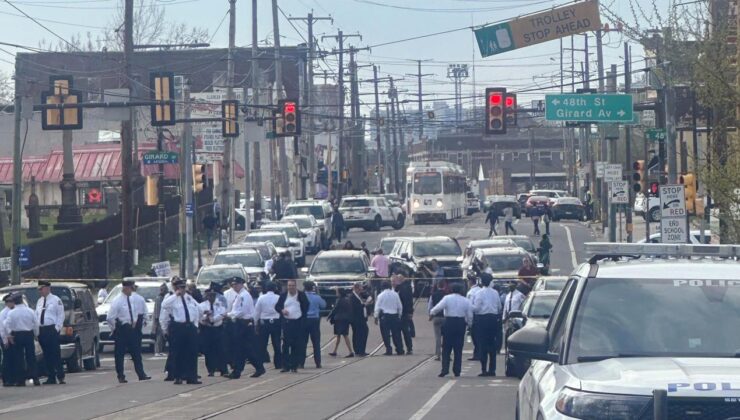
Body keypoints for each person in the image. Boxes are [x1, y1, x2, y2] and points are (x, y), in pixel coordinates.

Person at [160, 277, 202, 385]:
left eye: (184, 287)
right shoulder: (172, 298)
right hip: (179, 327)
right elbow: (164, 305)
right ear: (176, 288)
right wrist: (176, 295)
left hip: (190, 326)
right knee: (178, 352)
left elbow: (198, 309)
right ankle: (178, 376)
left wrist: (196, 324)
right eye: (180, 287)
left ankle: (191, 376)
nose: (183, 290)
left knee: (192, 352)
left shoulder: (189, 298)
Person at [107, 280, 150, 383]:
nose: (132, 290)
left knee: (136, 352)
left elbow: (134, 312)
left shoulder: (131, 299)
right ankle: (121, 375)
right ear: (125, 288)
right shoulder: (117, 301)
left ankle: (141, 374)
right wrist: (114, 329)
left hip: (132, 329)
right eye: (131, 288)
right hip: (122, 329)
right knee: (120, 354)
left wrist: (134, 322)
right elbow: (110, 317)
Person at [430, 283, 473, 378]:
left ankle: (445, 369)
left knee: (446, 347)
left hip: (449, 322)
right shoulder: (466, 300)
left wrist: (432, 313)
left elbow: (437, 308)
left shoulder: (447, 298)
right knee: (458, 348)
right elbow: (470, 315)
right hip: (460, 323)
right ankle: (457, 370)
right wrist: (469, 324)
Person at [226, 277, 265, 379]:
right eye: (233, 285)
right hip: (240, 323)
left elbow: (241, 311)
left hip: (244, 324)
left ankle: (257, 367)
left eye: (236, 284)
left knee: (245, 348)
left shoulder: (244, 296)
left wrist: (229, 315)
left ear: (241, 284)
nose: (234, 286)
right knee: (241, 349)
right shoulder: (240, 295)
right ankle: (238, 371)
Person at [5, 293, 40, 386]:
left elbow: (6, 325)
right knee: (31, 357)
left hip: (17, 335)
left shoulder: (11, 312)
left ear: (14, 302)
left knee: (19, 358)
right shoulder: (30, 311)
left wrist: (10, 334)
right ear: (21, 300)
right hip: (28, 335)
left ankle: (21, 380)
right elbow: (36, 324)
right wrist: (36, 334)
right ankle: (35, 378)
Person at [274, 279, 309, 372]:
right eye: (289, 285)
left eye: (293, 285)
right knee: (285, 345)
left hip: (298, 323)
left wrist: (301, 315)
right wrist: (282, 311)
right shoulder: (283, 295)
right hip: (287, 323)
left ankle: (294, 365)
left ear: (295, 286)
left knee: (296, 345)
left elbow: (306, 305)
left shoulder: (301, 295)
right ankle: (285, 365)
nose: (291, 287)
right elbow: (277, 306)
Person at [35, 280, 65, 385]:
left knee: (55, 354)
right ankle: (51, 376)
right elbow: (37, 315)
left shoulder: (56, 300)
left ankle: (60, 376)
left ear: (47, 288)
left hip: (51, 329)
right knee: (46, 355)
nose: (40, 291)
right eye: (39, 290)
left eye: (41, 289)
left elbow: (61, 315)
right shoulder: (39, 301)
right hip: (42, 330)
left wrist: (57, 328)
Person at [472, 275, 502, 377]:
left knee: (482, 344)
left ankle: (484, 369)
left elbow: (476, 308)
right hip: (493, 318)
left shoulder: (479, 293)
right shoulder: (495, 292)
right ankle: (492, 369)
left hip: (482, 319)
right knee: (492, 345)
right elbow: (499, 307)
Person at [198, 288, 228, 377]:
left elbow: (222, 314)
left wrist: (212, 319)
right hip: (207, 329)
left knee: (221, 349)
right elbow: (199, 317)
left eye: (213, 295)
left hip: (218, 328)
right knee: (208, 350)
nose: (212, 297)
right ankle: (211, 370)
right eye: (210, 295)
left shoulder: (220, 304)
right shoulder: (202, 305)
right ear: (206, 296)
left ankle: (223, 369)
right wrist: (205, 317)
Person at [254, 282, 282, 369]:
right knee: (277, 344)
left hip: (264, 323)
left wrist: (255, 324)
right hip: (276, 322)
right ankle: (278, 364)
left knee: (262, 344)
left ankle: (261, 362)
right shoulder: (278, 298)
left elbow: (257, 312)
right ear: (275, 288)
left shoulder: (261, 298)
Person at [373, 281, 404, 356]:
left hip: (385, 316)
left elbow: (377, 308)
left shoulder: (380, 296)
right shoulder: (395, 294)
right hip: (394, 316)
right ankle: (399, 349)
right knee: (396, 334)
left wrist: (376, 317)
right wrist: (399, 315)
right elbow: (400, 306)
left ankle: (389, 350)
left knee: (385, 334)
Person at [302, 281, 326, 368]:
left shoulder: (302, 296)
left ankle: (301, 362)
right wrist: (318, 293)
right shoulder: (317, 297)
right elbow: (323, 305)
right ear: (313, 288)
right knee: (316, 342)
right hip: (314, 321)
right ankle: (318, 362)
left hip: (304, 320)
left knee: (303, 342)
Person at [327, 288, 354, 357]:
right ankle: (335, 351)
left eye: (337, 292)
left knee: (343, 335)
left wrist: (329, 316)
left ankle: (350, 351)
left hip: (339, 319)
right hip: (345, 319)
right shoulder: (347, 299)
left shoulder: (339, 300)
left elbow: (335, 309)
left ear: (339, 293)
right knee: (341, 335)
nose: (336, 293)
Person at [349, 282, 372, 356]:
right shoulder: (352, 297)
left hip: (362, 319)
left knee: (361, 333)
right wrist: (364, 304)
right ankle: (360, 350)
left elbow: (369, 296)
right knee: (360, 334)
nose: (361, 290)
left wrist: (367, 300)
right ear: (356, 289)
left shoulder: (359, 295)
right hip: (357, 319)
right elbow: (356, 308)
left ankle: (360, 350)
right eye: (360, 289)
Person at [394, 274, 414, 355]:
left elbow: (407, 301)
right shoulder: (403, 287)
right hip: (403, 312)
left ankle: (402, 348)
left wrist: (409, 312)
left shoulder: (404, 288)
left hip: (402, 313)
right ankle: (408, 348)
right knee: (405, 331)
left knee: (402, 331)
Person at [427, 279, 448, 361]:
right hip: (445, 317)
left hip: (436, 317)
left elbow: (430, 307)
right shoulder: (447, 295)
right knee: (446, 337)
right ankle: (447, 354)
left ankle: (438, 354)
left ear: (437, 286)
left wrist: (430, 315)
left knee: (438, 337)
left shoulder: (433, 295)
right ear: (444, 286)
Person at [466, 276, 482, 361]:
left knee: (475, 336)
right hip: (482, 316)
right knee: (480, 336)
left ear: (470, 282)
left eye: (468, 281)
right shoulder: (480, 290)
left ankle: (477, 354)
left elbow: (469, 307)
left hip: (475, 316)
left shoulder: (471, 292)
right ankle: (479, 353)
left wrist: (469, 321)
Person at [1, 294, 15, 386]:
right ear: (7, 303)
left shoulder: (12, 311)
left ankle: (12, 378)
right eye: (11, 301)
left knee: (12, 359)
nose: (13, 303)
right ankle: (6, 379)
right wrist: (5, 341)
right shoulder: (3, 313)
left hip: (11, 338)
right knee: (7, 359)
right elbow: (2, 329)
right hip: (5, 338)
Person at [153, 283, 169, 356]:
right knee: (159, 336)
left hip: (162, 318)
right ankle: (157, 351)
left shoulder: (165, 297)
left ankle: (161, 350)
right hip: (159, 318)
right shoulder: (159, 298)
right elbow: (157, 309)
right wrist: (157, 319)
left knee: (163, 336)